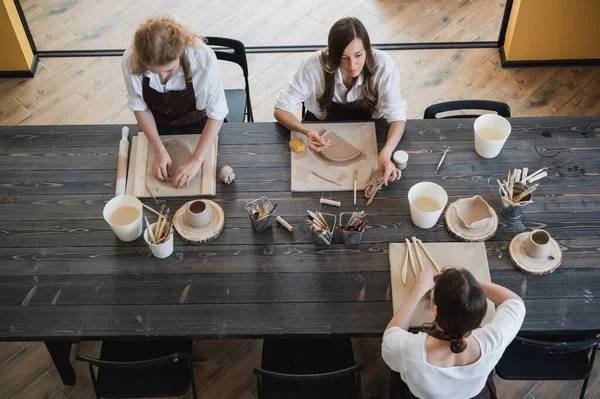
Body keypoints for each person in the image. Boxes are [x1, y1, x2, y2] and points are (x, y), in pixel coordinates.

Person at [274, 17, 406, 185]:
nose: (352, 65)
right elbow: (280, 110)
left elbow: (398, 118)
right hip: (321, 131)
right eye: (343, 58)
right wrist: (307, 132)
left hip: (371, 130)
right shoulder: (312, 66)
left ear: (368, 48)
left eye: (358, 55)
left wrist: (386, 153)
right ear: (332, 54)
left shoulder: (383, 66)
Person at [382, 268, 526, 399]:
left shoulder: (409, 352)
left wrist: (419, 289)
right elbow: (515, 303)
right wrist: (468, 284)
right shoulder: (494, 341)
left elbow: (392, 334)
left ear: (435, 310)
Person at [122, 16, 228, 188]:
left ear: (180, 51)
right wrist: (158, 149)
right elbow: (140, 106)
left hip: (199, 123)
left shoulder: (202, 58)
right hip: (157, 124)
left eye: (169, 70)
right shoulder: (131, 59)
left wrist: (196, 160)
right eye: (153, 72)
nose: (162, 78)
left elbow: (217, 113)